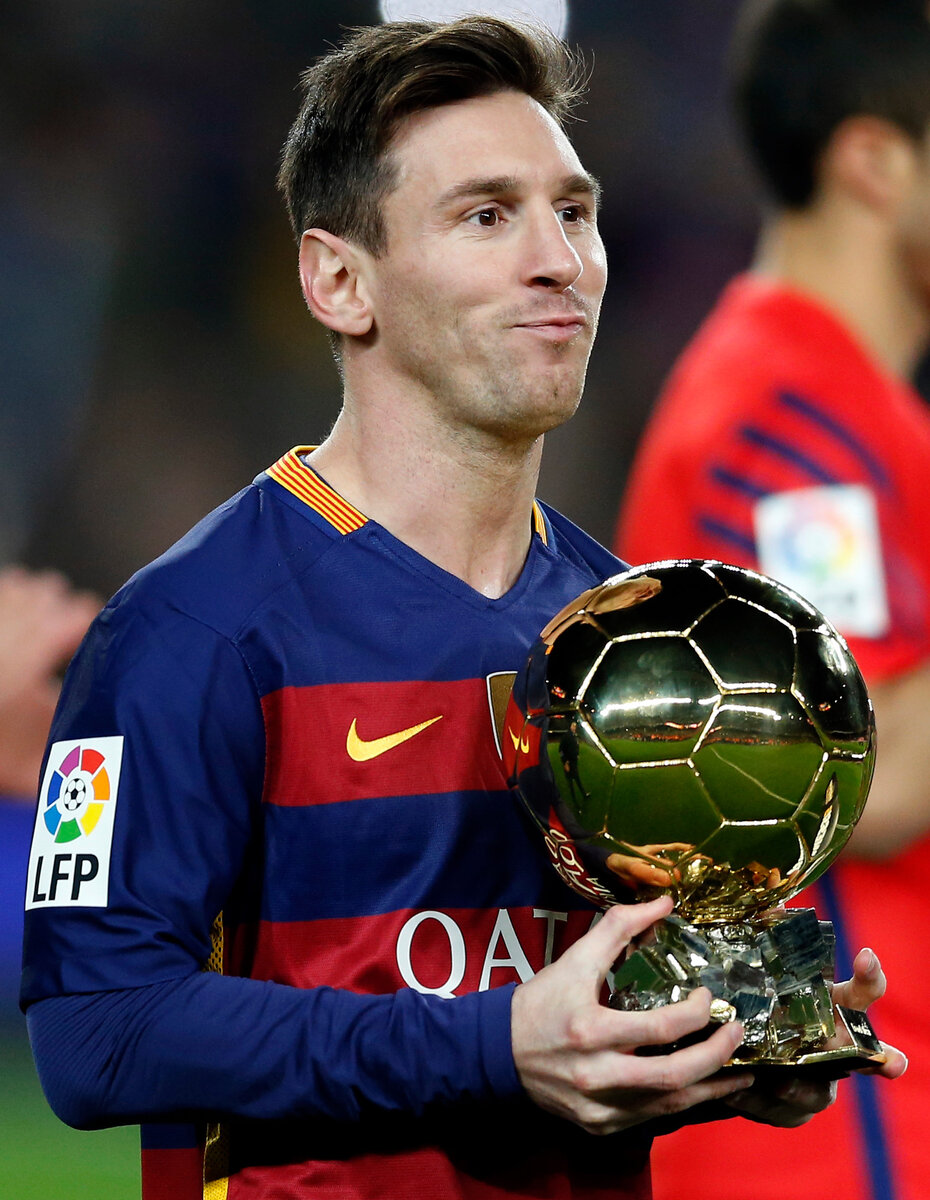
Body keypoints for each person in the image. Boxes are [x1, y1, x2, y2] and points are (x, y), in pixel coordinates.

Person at [21, 18, 902, 1200]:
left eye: (574, 212)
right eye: (487, 216)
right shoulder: (188, 631)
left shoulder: (627, 635)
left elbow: (594, 1019)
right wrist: (493, 1045)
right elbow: (95, 1032)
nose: (560, 260)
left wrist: (733, 1039)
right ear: (339, 281)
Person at [615, 1, 930, 1197]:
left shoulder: (859, 417)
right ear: (874, 161)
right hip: (832, 1127)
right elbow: (865, 779)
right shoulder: (786, 428)